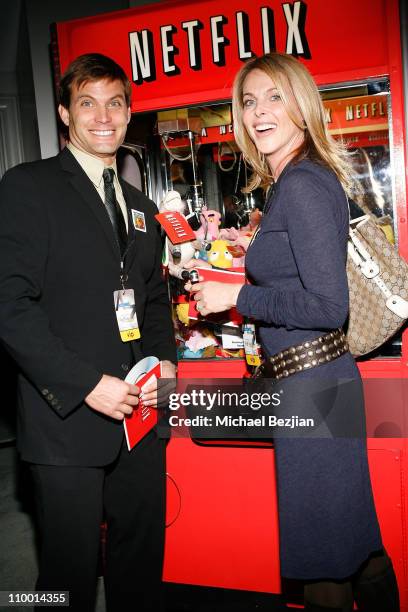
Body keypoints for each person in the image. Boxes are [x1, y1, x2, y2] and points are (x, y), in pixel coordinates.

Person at [187, 53, 399, 611]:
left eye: (275, 97)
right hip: (318, 382)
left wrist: (236, 295)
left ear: (302, 106)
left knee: (323, 556)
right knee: (355, 540)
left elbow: (328, 306)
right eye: (250, 100)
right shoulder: (294, 179)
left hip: (312, 386)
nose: (260, 112)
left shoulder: (302, 183)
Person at [0, 53, 176, 611]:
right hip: (69, 417)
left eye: (115, 103)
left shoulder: (144, 209)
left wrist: (165, 363)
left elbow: (151, 301)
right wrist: (84, 383)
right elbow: (9, 304)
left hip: (142, 417)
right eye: (87, 102)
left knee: (140, 560)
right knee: (66, 574)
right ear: (64, 113)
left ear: (129, 113)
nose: (104, 116)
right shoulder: (28, 187)